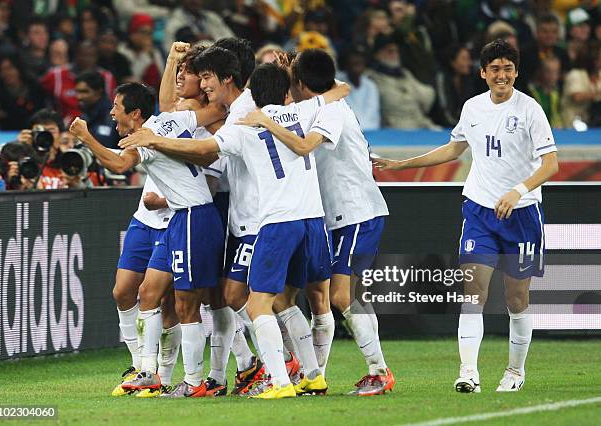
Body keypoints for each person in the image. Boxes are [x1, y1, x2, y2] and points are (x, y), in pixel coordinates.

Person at [118, 60, 349, 399]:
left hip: (271, 220)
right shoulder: (301, 111)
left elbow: (201, 149)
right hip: (312, 218)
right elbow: (338, 89)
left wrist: (154, 142)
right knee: (281, 300)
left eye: (208, 77)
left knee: (254, 303)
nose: (205, 85)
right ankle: (312, 374)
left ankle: (279, 380)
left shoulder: (242, 121)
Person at [374, 39, 559, 393]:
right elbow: (454, 148)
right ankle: (468, 373)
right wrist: (401, 164)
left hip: (522, 214)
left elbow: (551, 163)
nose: (501, 75)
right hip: (479, 211)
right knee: (472, 292)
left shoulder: (531, 110)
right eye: (495, 69)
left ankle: (514, 373)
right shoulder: (472, 108)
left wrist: (517, 190)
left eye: (507, 69)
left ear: (516, 72)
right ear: (483, 73)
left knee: (516, 299)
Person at [239, 48, 393, 396]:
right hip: (326, 217)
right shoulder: (310, 106)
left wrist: (266, 120)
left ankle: (379, 370)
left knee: (341, 295)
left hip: (356, 211)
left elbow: (306, 145)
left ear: (302, 83)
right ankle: (313, 375)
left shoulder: (330, 110)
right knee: (304, 295)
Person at [70, 82, 225, 398]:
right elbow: (205, 110)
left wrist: (86, 138)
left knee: (190, 304)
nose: (112, 111)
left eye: (117, 105)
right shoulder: (167, 121)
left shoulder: (145, 137)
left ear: (135, 113)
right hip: (183, 219)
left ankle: (196, 382)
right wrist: (173, 59)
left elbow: (120, 164)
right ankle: (148, 372)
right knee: (148, 292)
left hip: (194, 216)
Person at [75, 71, 121, 149]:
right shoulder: (83, 116)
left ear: (99, 91)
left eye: (84, 92)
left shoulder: (116, 117)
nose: (79, 97)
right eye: (77, 92)